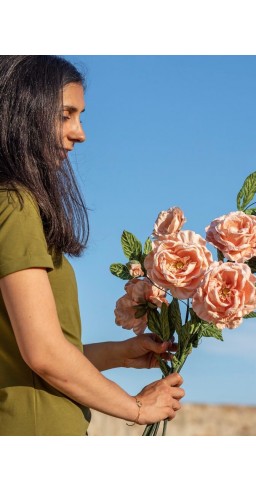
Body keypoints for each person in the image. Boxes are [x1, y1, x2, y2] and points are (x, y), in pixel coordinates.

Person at [0, 55, 185, 436]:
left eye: (79, 116)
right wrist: (137, 408)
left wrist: (118, 354)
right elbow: (45, 355)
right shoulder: (14, 205)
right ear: (24, 110)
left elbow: (28, 355)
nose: (79, 132)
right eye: (66, 114)